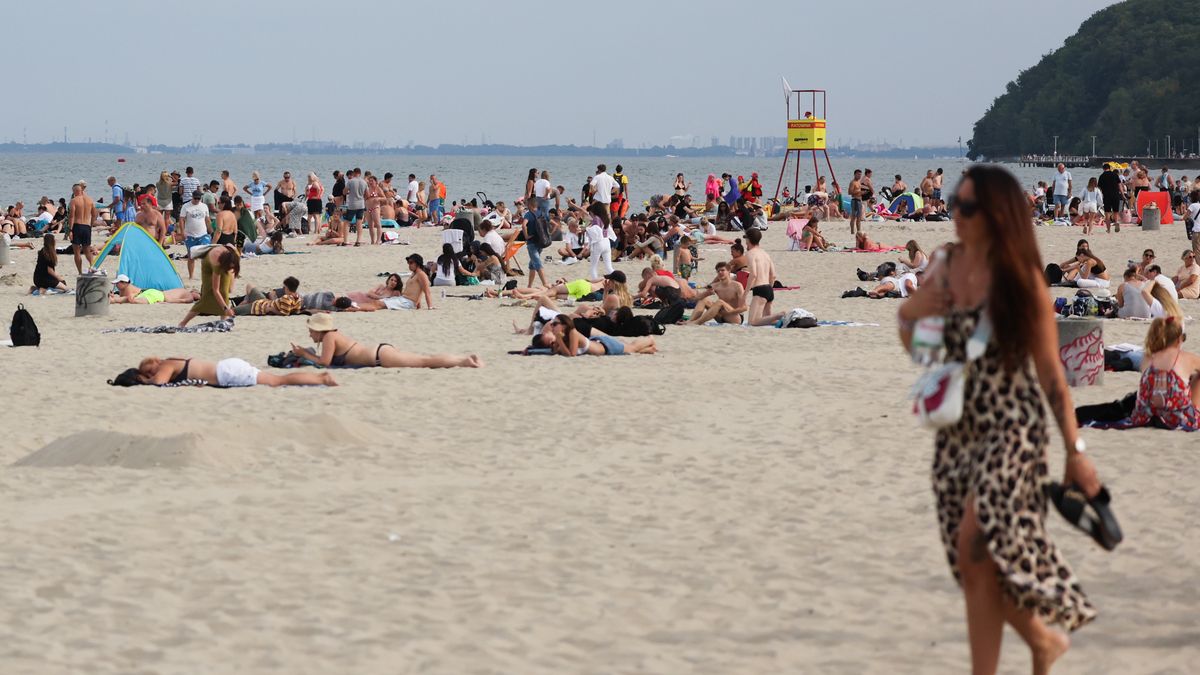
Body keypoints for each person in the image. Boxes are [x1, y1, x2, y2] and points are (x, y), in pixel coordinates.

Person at [897, 165, 1101, 674]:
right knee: (975, 565)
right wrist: (910, 316)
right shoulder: (943, 265)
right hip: (957, 430)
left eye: (966, 207)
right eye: (953, 204)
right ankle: (1041, 642)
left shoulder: (1021, 278)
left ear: (995, 214)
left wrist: (1075, 453)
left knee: (975, 542)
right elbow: (922, 350)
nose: (955, 215)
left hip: (1013, 428)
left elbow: (1052, 374)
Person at [292, 313, 482, 368]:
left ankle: (464, 361)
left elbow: (324, 362)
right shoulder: (332, 335)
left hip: (380, 357)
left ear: (319, 330)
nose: (310, 334)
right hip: (380, 352)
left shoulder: (329, 337)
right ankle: (462, 359)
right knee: (425, 359)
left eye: (311, 331)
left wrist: (303, 353)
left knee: (426, 361)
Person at [120, 356, 336, 388]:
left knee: (277, 381)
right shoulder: (171, 362)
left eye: (149, 371)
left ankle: (321, 379)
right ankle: (319, 378)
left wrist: (142, 381)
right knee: (275, 380)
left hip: (227, 373)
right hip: (227, 368)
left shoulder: (166, 364)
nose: (152, 373)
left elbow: (159, 383)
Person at [179, 244, 239, 327]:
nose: (230, 269)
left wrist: (231, 284)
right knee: (206, 297)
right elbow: (216, 289)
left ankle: (223, 320)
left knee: (224, 292)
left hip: (223, 261)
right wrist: (226, 308)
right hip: (208, 266)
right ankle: (183, 323)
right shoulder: (217, 263)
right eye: (229, 267)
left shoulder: (232, 254)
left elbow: (233, 269)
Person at [545, 315, 657, 356]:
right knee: (629, 351)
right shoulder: (564, 336)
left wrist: (559, 341)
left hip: (606, 346)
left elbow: (571, 354)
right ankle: (649, 349)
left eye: (555, 324)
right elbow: (557, 352)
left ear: (564, 325)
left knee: (632, 348)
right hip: (599, 343)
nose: (552, 326)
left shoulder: (572, 332)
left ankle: (649, 339)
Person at [740, 228, 784, 326]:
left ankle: (780, 315)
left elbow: (754, 275)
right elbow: (773, 275)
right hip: (768, 288)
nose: (745, 242)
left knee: (752, 322)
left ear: (748, 240)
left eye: (746, 239)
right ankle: (784, 320)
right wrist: (770, 289)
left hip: (760, 289)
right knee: (768, 321)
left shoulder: (750, 254)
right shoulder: (765, 254)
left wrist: (745, 294)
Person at [179, 190, 212, 279]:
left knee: (205, 256)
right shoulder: (186, 206)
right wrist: (182, 232)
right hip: (190, 235)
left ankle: (206, 275)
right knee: (191, 256)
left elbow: (207, 219)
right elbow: (181, 219)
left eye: (198, 198)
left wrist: (211, 230)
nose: (197, 200)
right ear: (192, 197)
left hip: (203, 234)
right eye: (195, 198)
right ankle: (191, 276)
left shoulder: (204, 206)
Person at [110, 274, 199, 304]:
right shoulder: (186, 293)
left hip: (155, 293)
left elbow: (183, 301)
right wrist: (166, 302)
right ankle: (115, 299)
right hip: (158, 294)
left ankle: (113, 300)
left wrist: (167, 302)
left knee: (131, 299)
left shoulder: (186, 293)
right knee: (134, 300)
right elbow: (182, 301)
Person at [68, 183, 97, 274]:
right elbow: (94, 215)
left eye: (73, 191)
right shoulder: (90, 200)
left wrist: (70, 230)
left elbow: (72, 216)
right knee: (87, 250)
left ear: (76, 191)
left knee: (76, 251)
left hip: (77, 226)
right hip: (87, 226)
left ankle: (80, 272)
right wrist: (91, 225)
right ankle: (92, 266)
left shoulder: (74, 200)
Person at [343, 168, 368, 244]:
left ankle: (346, 240)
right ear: (360, 173)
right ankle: (358, 240)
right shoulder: (364, 182)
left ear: (354, 173)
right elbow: (367, 194)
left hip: (352, 204)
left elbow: (344, 191)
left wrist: (350, 192)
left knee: (347, 222)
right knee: (359, 222)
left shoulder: (351, 181)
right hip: (361, 204)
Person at [1097, 163, 1122, 233]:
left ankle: (1108, 229)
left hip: (1107, 196)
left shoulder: (1101, 176)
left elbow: (1099, 188)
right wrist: (1122, 194)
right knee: (1115, 211)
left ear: (1103, 169)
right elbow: (1119, 185)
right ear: (1110, 168)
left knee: (1107, 213)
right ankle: (1116, 222)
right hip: (1115, 195)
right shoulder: (1115, 174)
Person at [847, 169, 864, 235]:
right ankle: (852, 231)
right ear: (855, 174)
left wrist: (863, 193)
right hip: (855, 200)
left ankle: (858, 231)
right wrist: (859, 192)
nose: (859, 176)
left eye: (860, 174)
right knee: (854, 217)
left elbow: (858, 191)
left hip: (859, 200)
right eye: (858, 174)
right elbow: (850, 192)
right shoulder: (852, 182)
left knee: (859, 217)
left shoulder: (859, 182)